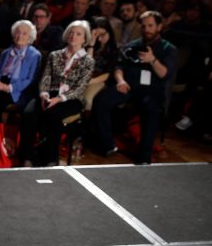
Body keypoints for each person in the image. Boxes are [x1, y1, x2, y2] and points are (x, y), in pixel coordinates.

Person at [92, 11, 178, 164]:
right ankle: (108, 144)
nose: (147, 29)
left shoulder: (168, 49)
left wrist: (152, 60)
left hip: (151, 90)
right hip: (128, 86)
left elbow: (164, 74)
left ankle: (144, 155)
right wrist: (120, 81)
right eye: (144, 26)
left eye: (150, 26)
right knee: (101, 100)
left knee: (151, 109)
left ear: (159, 27)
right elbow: (118, 67)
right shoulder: (133, 45)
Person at [18, 21, 95, 167]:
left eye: (78, 34)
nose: (73, 36)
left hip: (71, 98)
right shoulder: (55, 55)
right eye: (71, 32)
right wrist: (44, 94)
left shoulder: (88, 61)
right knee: (29, 113)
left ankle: (50, 159)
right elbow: (46, 77)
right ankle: (27, 157)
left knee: (53, 115)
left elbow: (80, 88)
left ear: (85, 39)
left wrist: (59, 99)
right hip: (49, 93)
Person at [0, 20, 42, 156]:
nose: (20, 36)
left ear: (30, 37)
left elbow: (31, 80)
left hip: (18, 90)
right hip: (1, 85)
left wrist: (8, 87)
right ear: (13, 35)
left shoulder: (34, 55)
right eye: (18, 32)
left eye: (24, 33)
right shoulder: (6, 53)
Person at [83, 17, 119, 111]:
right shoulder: (93, 46)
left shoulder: (115, 50)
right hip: (88, 77)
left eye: (102, 35)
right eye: (96, 35)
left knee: (87, 99)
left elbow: (108, 74)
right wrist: (91, 45)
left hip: (101, 80)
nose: (99, 39)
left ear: (109, 32)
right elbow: (88, 65)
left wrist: (90, 81)